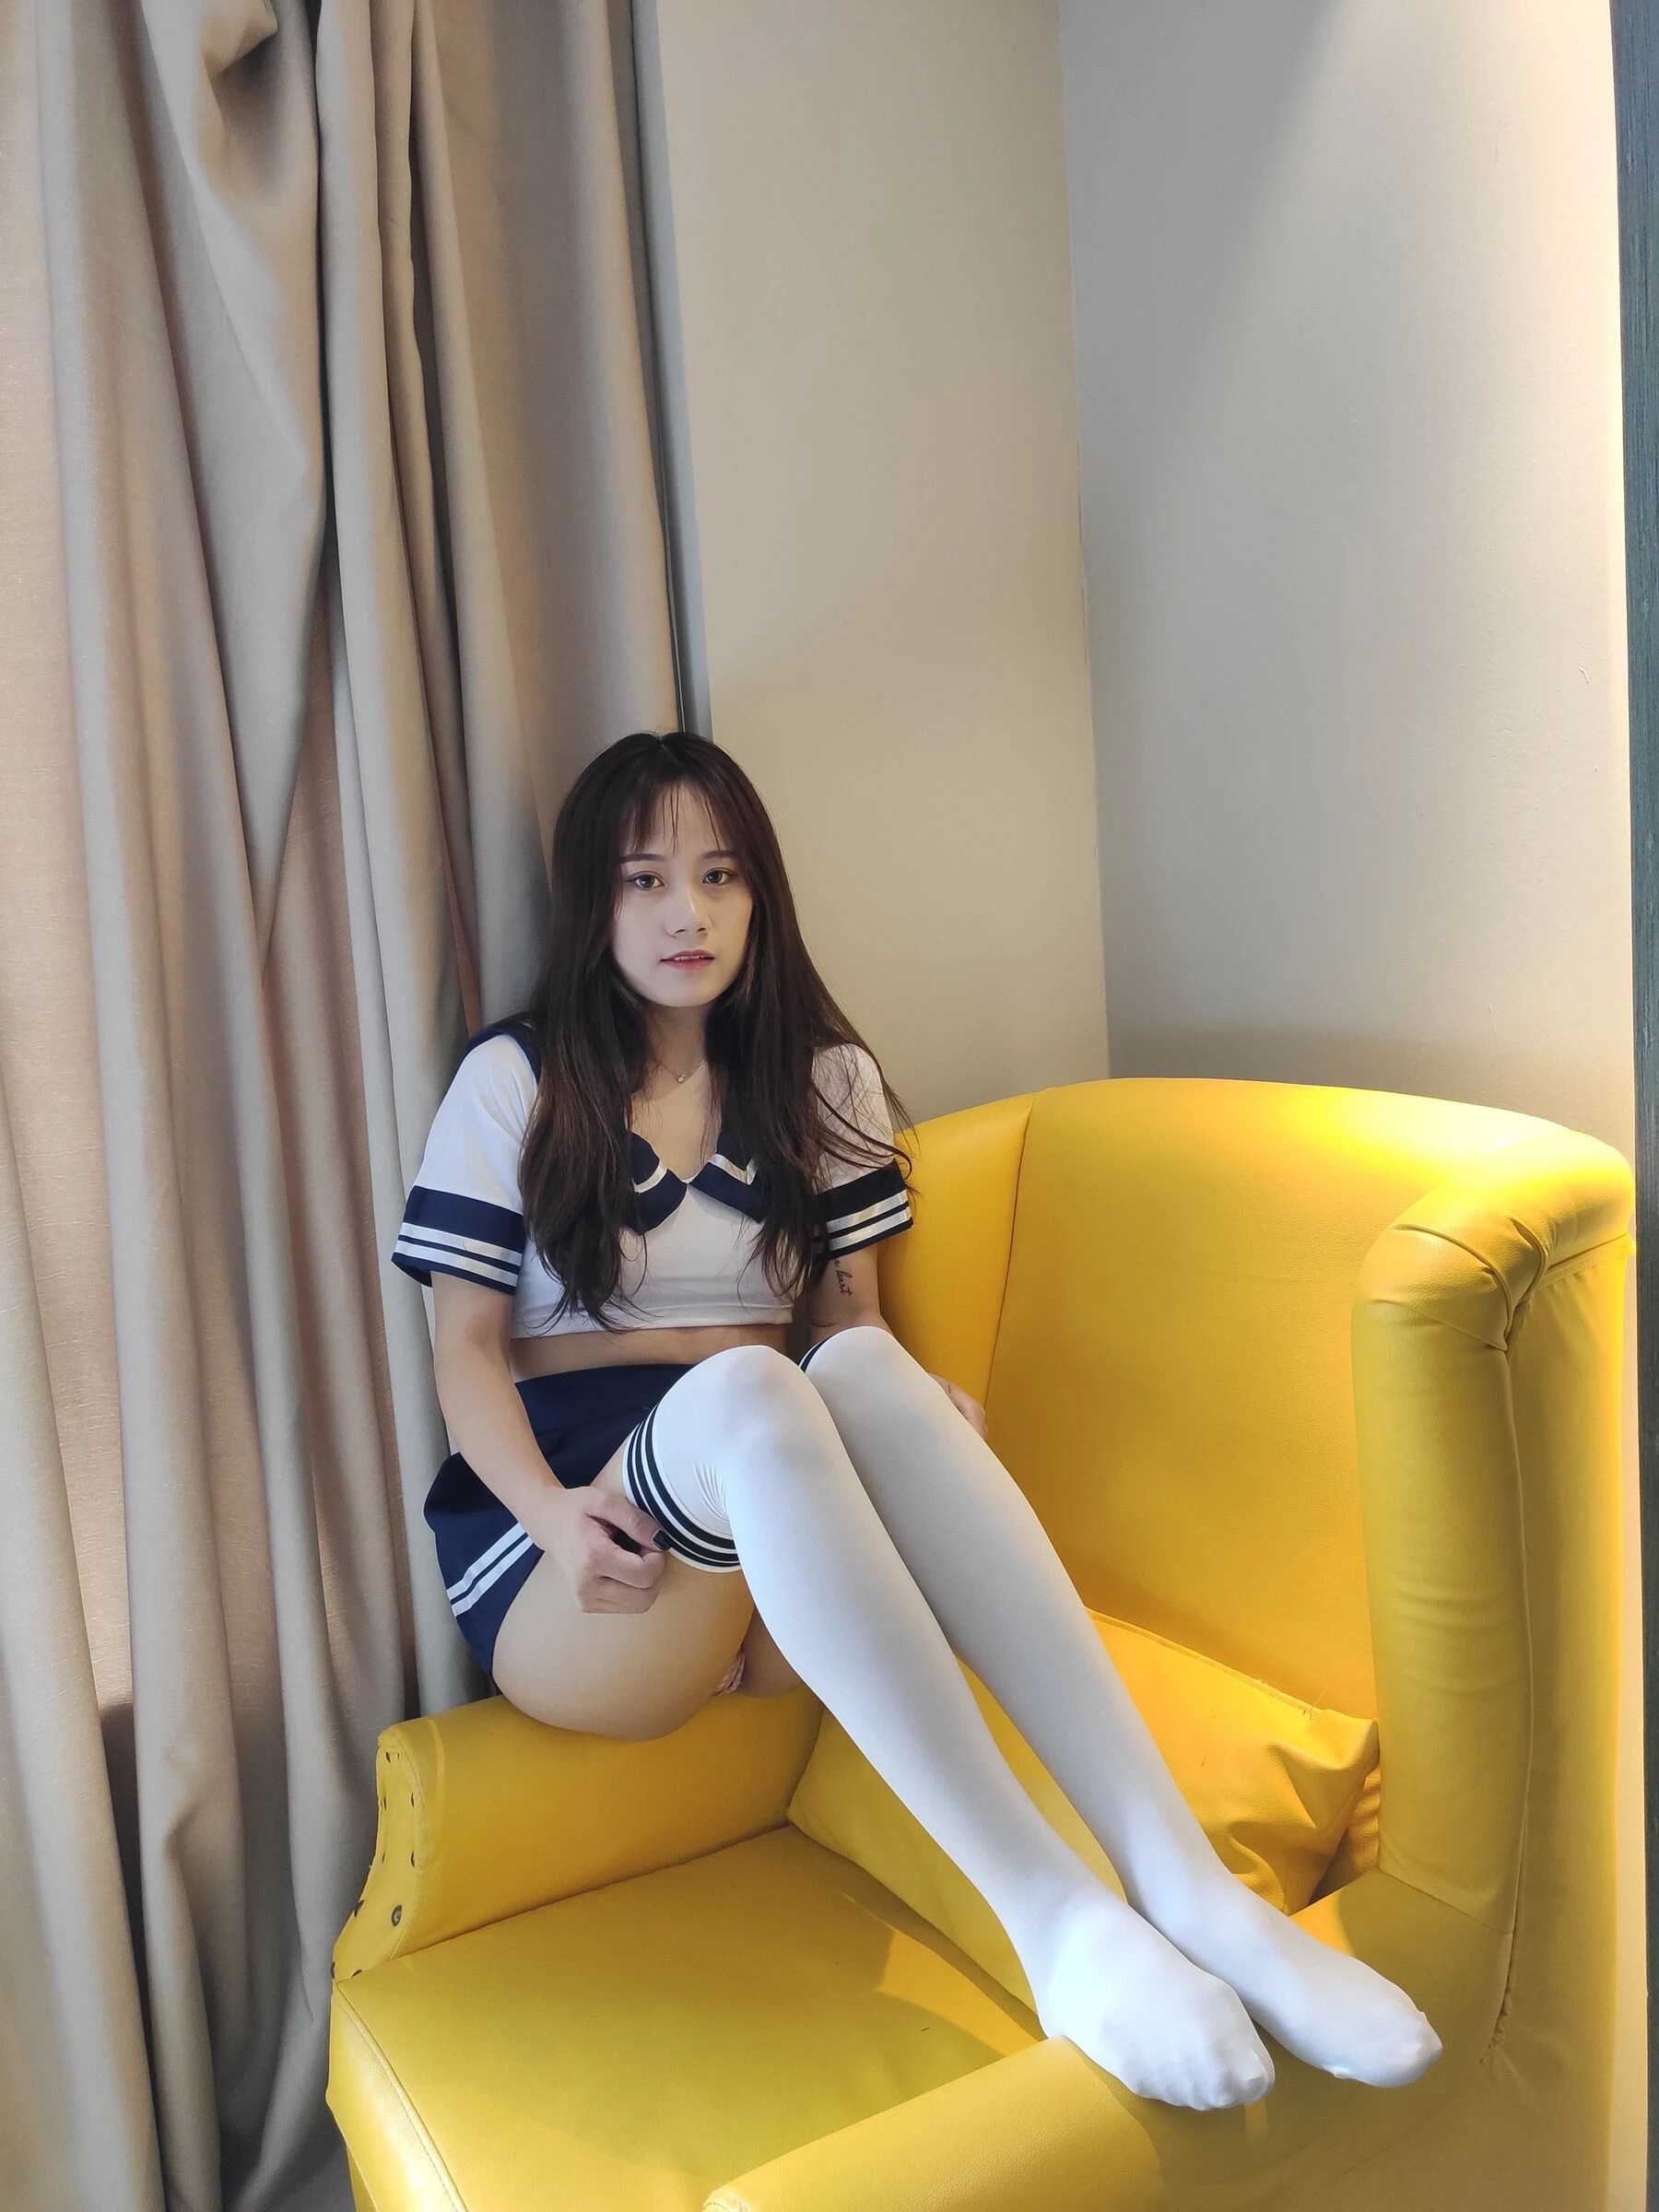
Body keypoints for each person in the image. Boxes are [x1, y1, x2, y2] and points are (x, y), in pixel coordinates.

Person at [392, 730, 1442, 2112]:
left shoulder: (818, 1078)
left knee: (864, 1376)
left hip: (766, 1518)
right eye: (645, 880)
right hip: (580, 1562)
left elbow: (852, 1324)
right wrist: (550, 1512)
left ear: (761, 896)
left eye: (719, 876)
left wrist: (913, 1409)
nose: (686, 913)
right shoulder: (517, 1082)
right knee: (764, 1385)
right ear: (593, 904)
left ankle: (1192, 1890)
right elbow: (464, 1350)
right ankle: (1055, 1922)